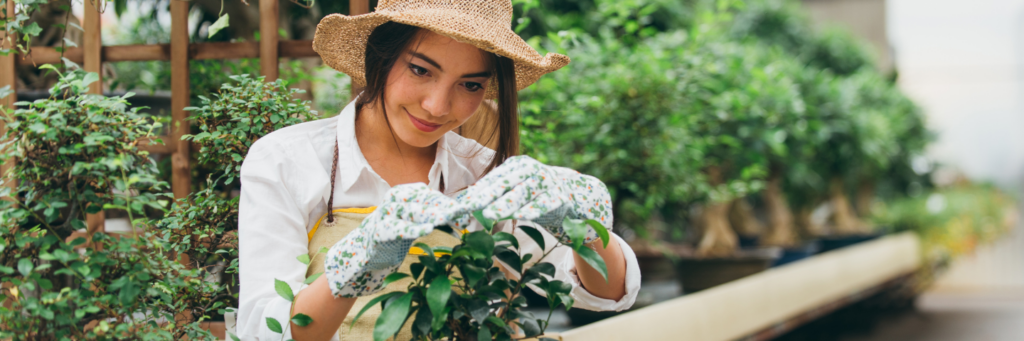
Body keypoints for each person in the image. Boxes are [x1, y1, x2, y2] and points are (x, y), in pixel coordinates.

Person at [237, 0, 641, 339]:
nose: (437, 106)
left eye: (470, 85)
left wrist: (584, 226)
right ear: (380, 56)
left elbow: (606, 293)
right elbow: (265, 329)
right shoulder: (287, 161)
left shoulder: (483, 174)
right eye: (420, 70)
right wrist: (358, 264)